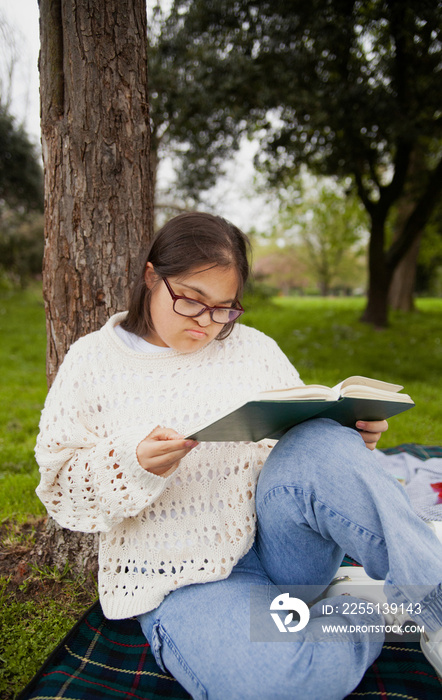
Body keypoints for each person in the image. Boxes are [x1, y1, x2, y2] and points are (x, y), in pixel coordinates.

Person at [35, 212, 442, 700]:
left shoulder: (253, 349)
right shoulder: (92, 361)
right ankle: (364, 608)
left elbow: (299, 455)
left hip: (284, 551)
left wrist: (351, 435)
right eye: (191, 301)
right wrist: (133, 464)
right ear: (151, 278)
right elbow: (60, 488)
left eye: (224, 308)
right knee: (288, 685)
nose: (207, 323)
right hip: (190, 582)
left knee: (323, 439)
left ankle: (434, 604)